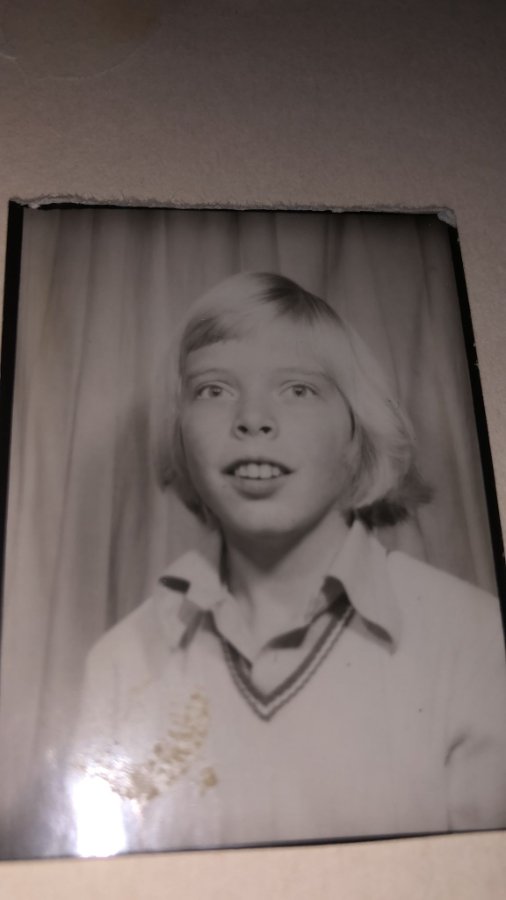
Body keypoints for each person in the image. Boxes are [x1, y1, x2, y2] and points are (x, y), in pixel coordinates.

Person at [69, 272, 506, 856]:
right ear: (180, 433)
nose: (253, 419)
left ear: (357, 433)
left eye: (298, 389)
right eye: (214, 389)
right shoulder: (121, 662)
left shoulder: (475, 638)